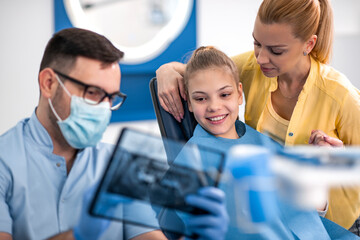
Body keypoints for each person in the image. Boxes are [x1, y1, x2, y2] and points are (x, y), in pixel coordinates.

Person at [0, 28, 227, 240]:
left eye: (111, 97)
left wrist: (197, 234)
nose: (103, 108)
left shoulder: (117, 163)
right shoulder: (5, 162)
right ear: (49, 83)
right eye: (93, 92)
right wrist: (79, 233)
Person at [155, 0, 360, 230]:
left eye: (276, 50)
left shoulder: (341, 96)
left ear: (308, 44)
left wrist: (341, 161)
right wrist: (165, 70)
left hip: (336, 223)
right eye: (257, 43)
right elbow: (206, 73)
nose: (261, 58)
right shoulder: (252, 68)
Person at [173, 45, 358, 239]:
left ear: (239, 94)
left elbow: (309, 214)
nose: (214, 106)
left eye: (224, 94)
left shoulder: (262, 142)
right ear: (190, 105)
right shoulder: (191, 160)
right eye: (201, 98)